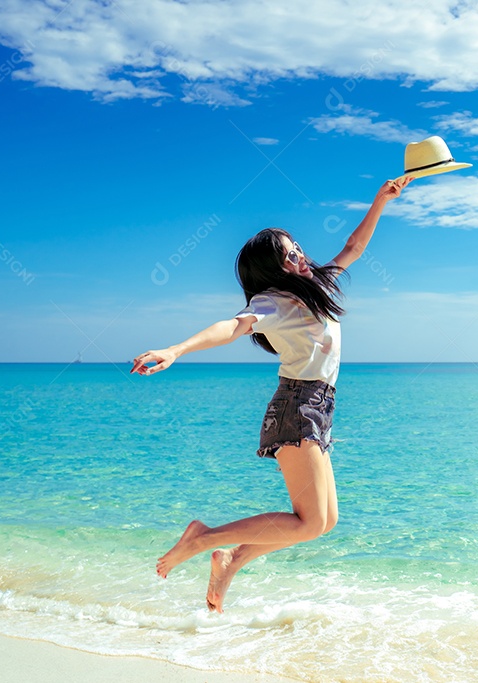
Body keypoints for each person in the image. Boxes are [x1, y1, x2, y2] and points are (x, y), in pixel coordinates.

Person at [131, 177, 412, 612]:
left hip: (317, 407)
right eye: (288, 253)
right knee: (310, 522)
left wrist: (381, 200)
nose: (299, 253)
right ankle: (203, 538)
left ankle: (231, 558)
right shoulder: (271, 302)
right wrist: (176, 349)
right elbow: (231, 327)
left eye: (296, 245)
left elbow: (353, 248)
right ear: (273, 268)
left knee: (323, 522)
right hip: (297, 407)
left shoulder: (314, 288)